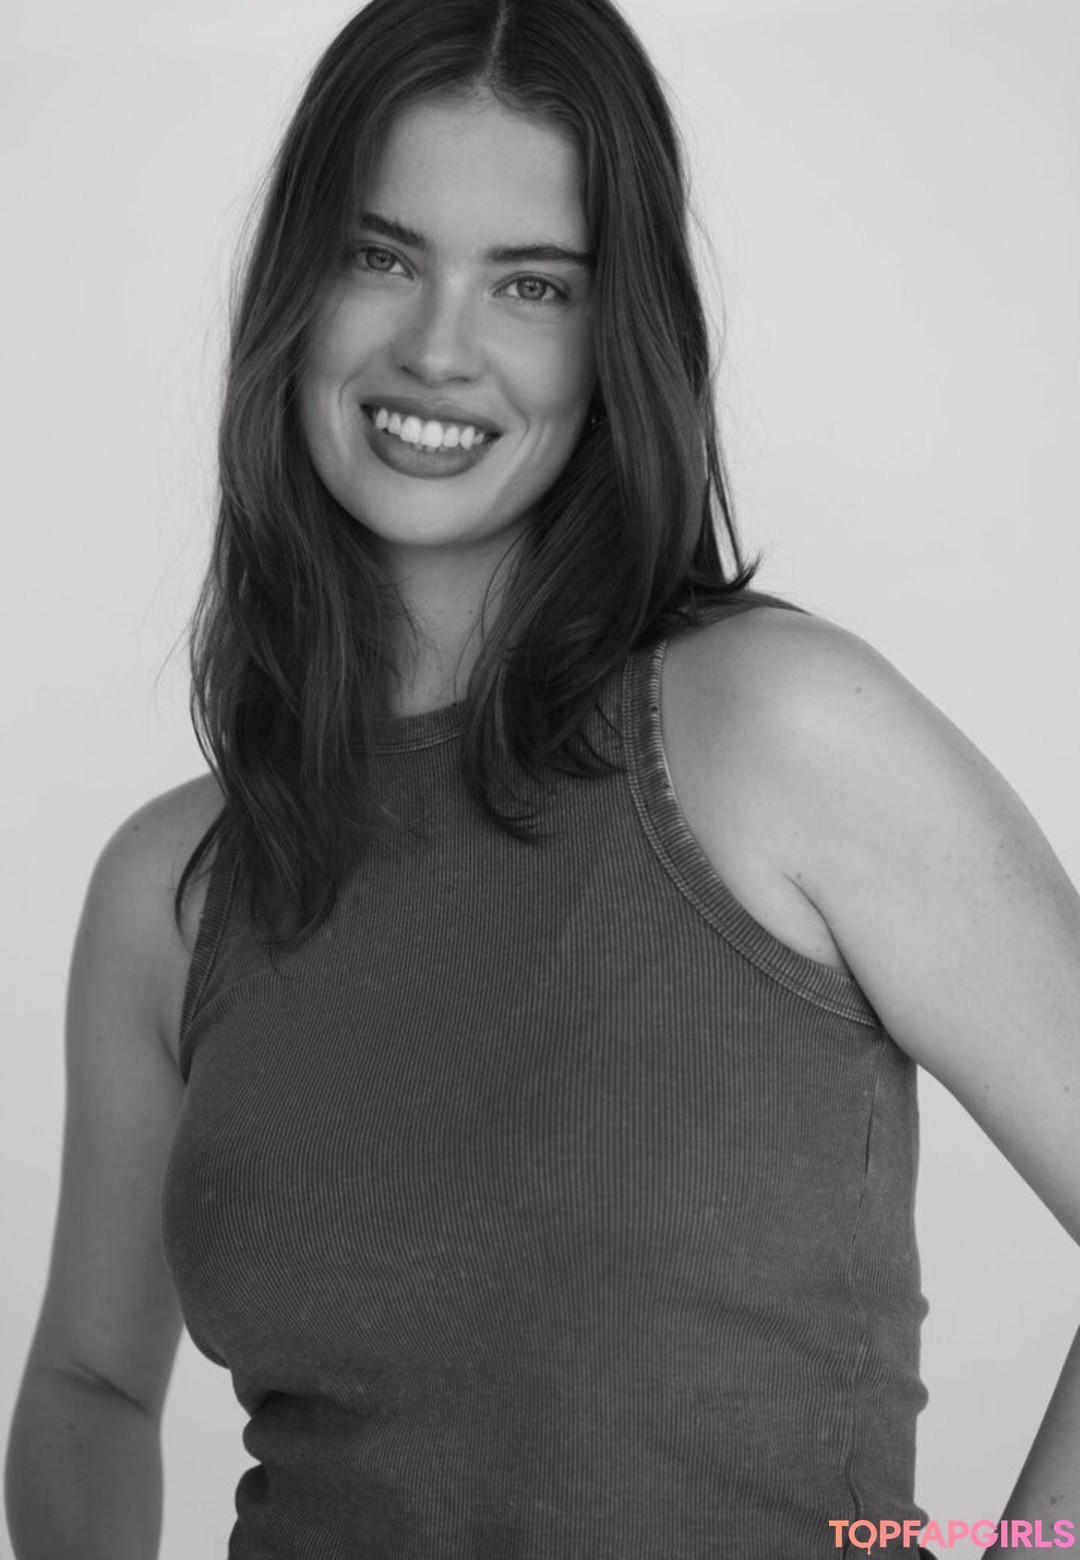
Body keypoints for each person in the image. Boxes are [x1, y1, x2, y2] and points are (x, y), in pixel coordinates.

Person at [5, 0, 1079, 1555]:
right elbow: (93, 1381)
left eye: (531, 284)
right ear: (294, 289)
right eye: (381, 256)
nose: (439, 348)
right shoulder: (173, 891)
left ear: (614, 335)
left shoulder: (780, 731)